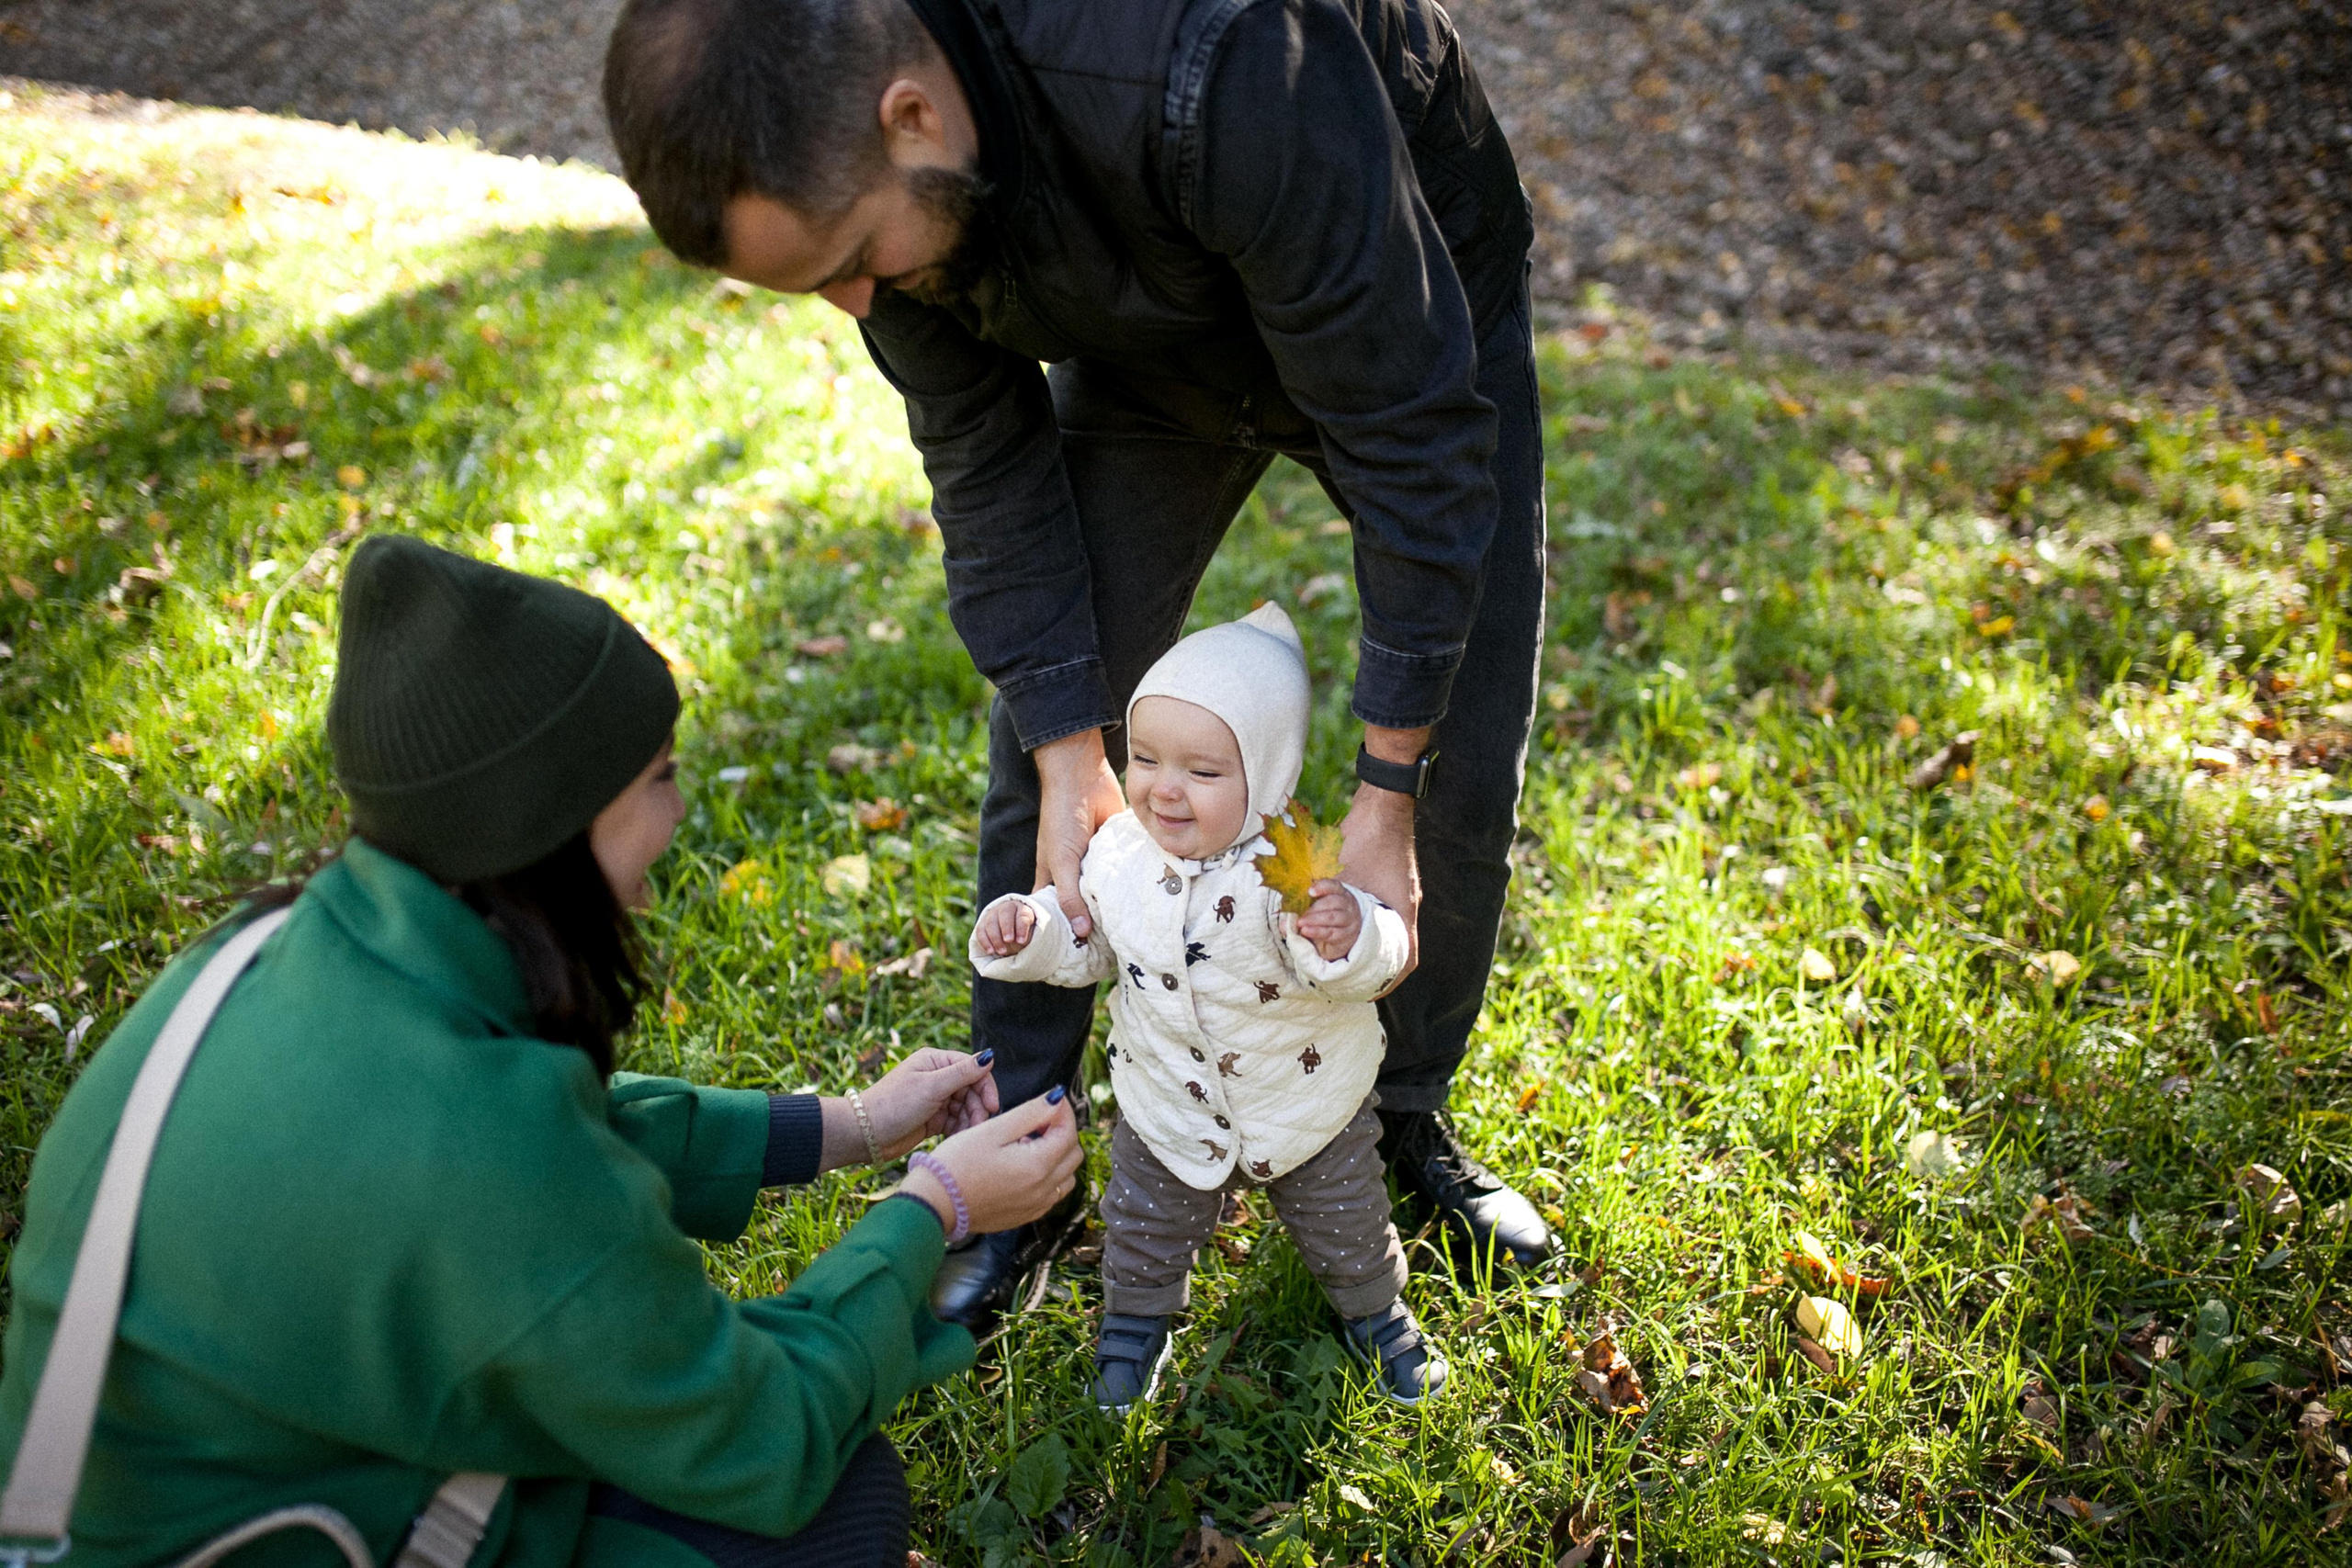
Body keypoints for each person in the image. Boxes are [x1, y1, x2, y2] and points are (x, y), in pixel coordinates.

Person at [602, 0, 1556, 1330]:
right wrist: (1069, 742)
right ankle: (1026, 1158)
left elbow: (1419, 449)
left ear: (913, 117)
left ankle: (1396, 1116)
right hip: (1148, 333)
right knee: (1050, 708)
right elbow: (987, 462)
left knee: (1455, 733)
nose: (854, 305)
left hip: (1403, 282)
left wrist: (1384, 789)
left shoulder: (1218, 56)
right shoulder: (875, 181)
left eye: (850, 259)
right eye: (815, 282)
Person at [0, 536, 1082, 1567]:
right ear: (550, 829)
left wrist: (849, 1125)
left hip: (147, 1507)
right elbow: (765, 1434)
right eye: (659, 776)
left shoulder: (271, 952)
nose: (682, 807)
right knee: (835, 1510)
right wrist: (933, 1206)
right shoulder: (473, 1153)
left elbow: (556, 1143)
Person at [968, 605, 1444, 1410]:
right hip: (1167, 1102)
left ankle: (1378, 1311)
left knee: (1348, 1220)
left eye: (1204, 771)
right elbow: (1093, 947)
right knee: (1143, 1227)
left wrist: (1350, 932)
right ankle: (1133, 1324)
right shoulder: (1118, 854)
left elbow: (1363, 967)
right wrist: (1033, 933)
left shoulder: (1290, 872)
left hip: (1302, 1102)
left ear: (1266, 778)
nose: (1163, 788)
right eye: (1146, 758)